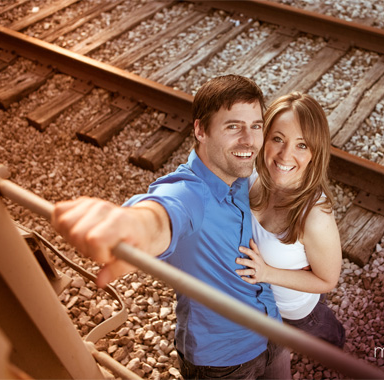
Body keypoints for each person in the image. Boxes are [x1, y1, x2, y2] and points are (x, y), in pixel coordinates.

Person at [52, 75, 290, 379]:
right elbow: (162, 213)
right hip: (225, 364)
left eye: (256, 126)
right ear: (200, 130)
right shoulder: (190, 192)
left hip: (274, 333)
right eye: (233, 126)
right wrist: (134, 226)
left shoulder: (240, 175)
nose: (249, 140)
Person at [235, 92, 346, 348]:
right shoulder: (249, 176)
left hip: (294, 311)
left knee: (325, 337)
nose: (285, 155)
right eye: (278, 139)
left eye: (302, 145)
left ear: (314, 153)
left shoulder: (316, 216)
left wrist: (267, 273)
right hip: (256, 305)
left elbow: (327, 280)